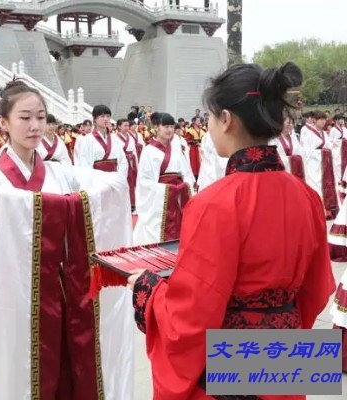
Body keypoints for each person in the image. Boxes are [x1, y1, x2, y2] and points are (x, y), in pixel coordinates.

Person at [128, 62, 335, 399]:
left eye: (210, 118)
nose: (209, 127)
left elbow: (191, 315)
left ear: (226, 119)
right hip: (286, 362)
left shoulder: (212, 203)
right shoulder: (307, 196)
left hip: (230, 375)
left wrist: (148, 289)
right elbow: (317, 290)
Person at [0, 80, 134, 400]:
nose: (35, 126)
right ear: (3, 122)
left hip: (59, 290)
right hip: (10, 295)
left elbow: (113, 182)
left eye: (41, 117)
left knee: (61, 362)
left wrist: (73, 203)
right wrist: (62, 206)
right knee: (14, 369)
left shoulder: (59, 173)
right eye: (25, 117)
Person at [133, 112, 195, 245]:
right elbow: (145, 181)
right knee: (156, 231)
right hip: (159, 200)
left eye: (172, 126)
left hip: (178, 196)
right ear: (157, 127)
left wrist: (185, 185)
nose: (169, 130)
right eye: (166, 126)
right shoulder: (148, 151)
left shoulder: (176, 148)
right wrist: (168, 189)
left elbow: (187, 172)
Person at [73, 104, 128, 181]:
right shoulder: (87, 140)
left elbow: (122, 161)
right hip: (96, 180)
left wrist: (119, 178)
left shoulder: (115, 138)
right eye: (102, 116)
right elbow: (84, 163)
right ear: (95, 119)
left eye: (108, 116)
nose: (106, 119)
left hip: (115, 179)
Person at [300, 110, 338, 220]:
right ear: (314, 120)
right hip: (313, 165)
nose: (323, 122)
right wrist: (321, 153)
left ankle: (327, 209)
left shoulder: (324, 133)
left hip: (324, 164)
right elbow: (306, 151)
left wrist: (327, 152)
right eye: (320, 119)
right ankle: (318, 210)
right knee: (316, 186)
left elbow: (329, 146)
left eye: (324, 119)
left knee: (326, 186)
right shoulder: (308, 133)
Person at [114, 118, 139, 210]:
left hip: (132, 161)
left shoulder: (130, 137)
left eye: (128, 125)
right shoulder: (115, 138)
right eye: (125, 125)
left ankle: (133, 203)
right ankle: (124, 203)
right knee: (124, 181)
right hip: (122, 162)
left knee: (133, 182)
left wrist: (136, 162)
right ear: (119, 127)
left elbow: (134, 151)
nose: (127, 127)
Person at [269, 115, 304, 180]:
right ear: (281, 123)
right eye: (288, 123)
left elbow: (300, 152)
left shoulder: (293, 137)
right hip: (281, 172)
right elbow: (273, 157)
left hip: (295, 171)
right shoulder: (274, 139)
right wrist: (290, 159)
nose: (290, 125)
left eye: (292, 123)